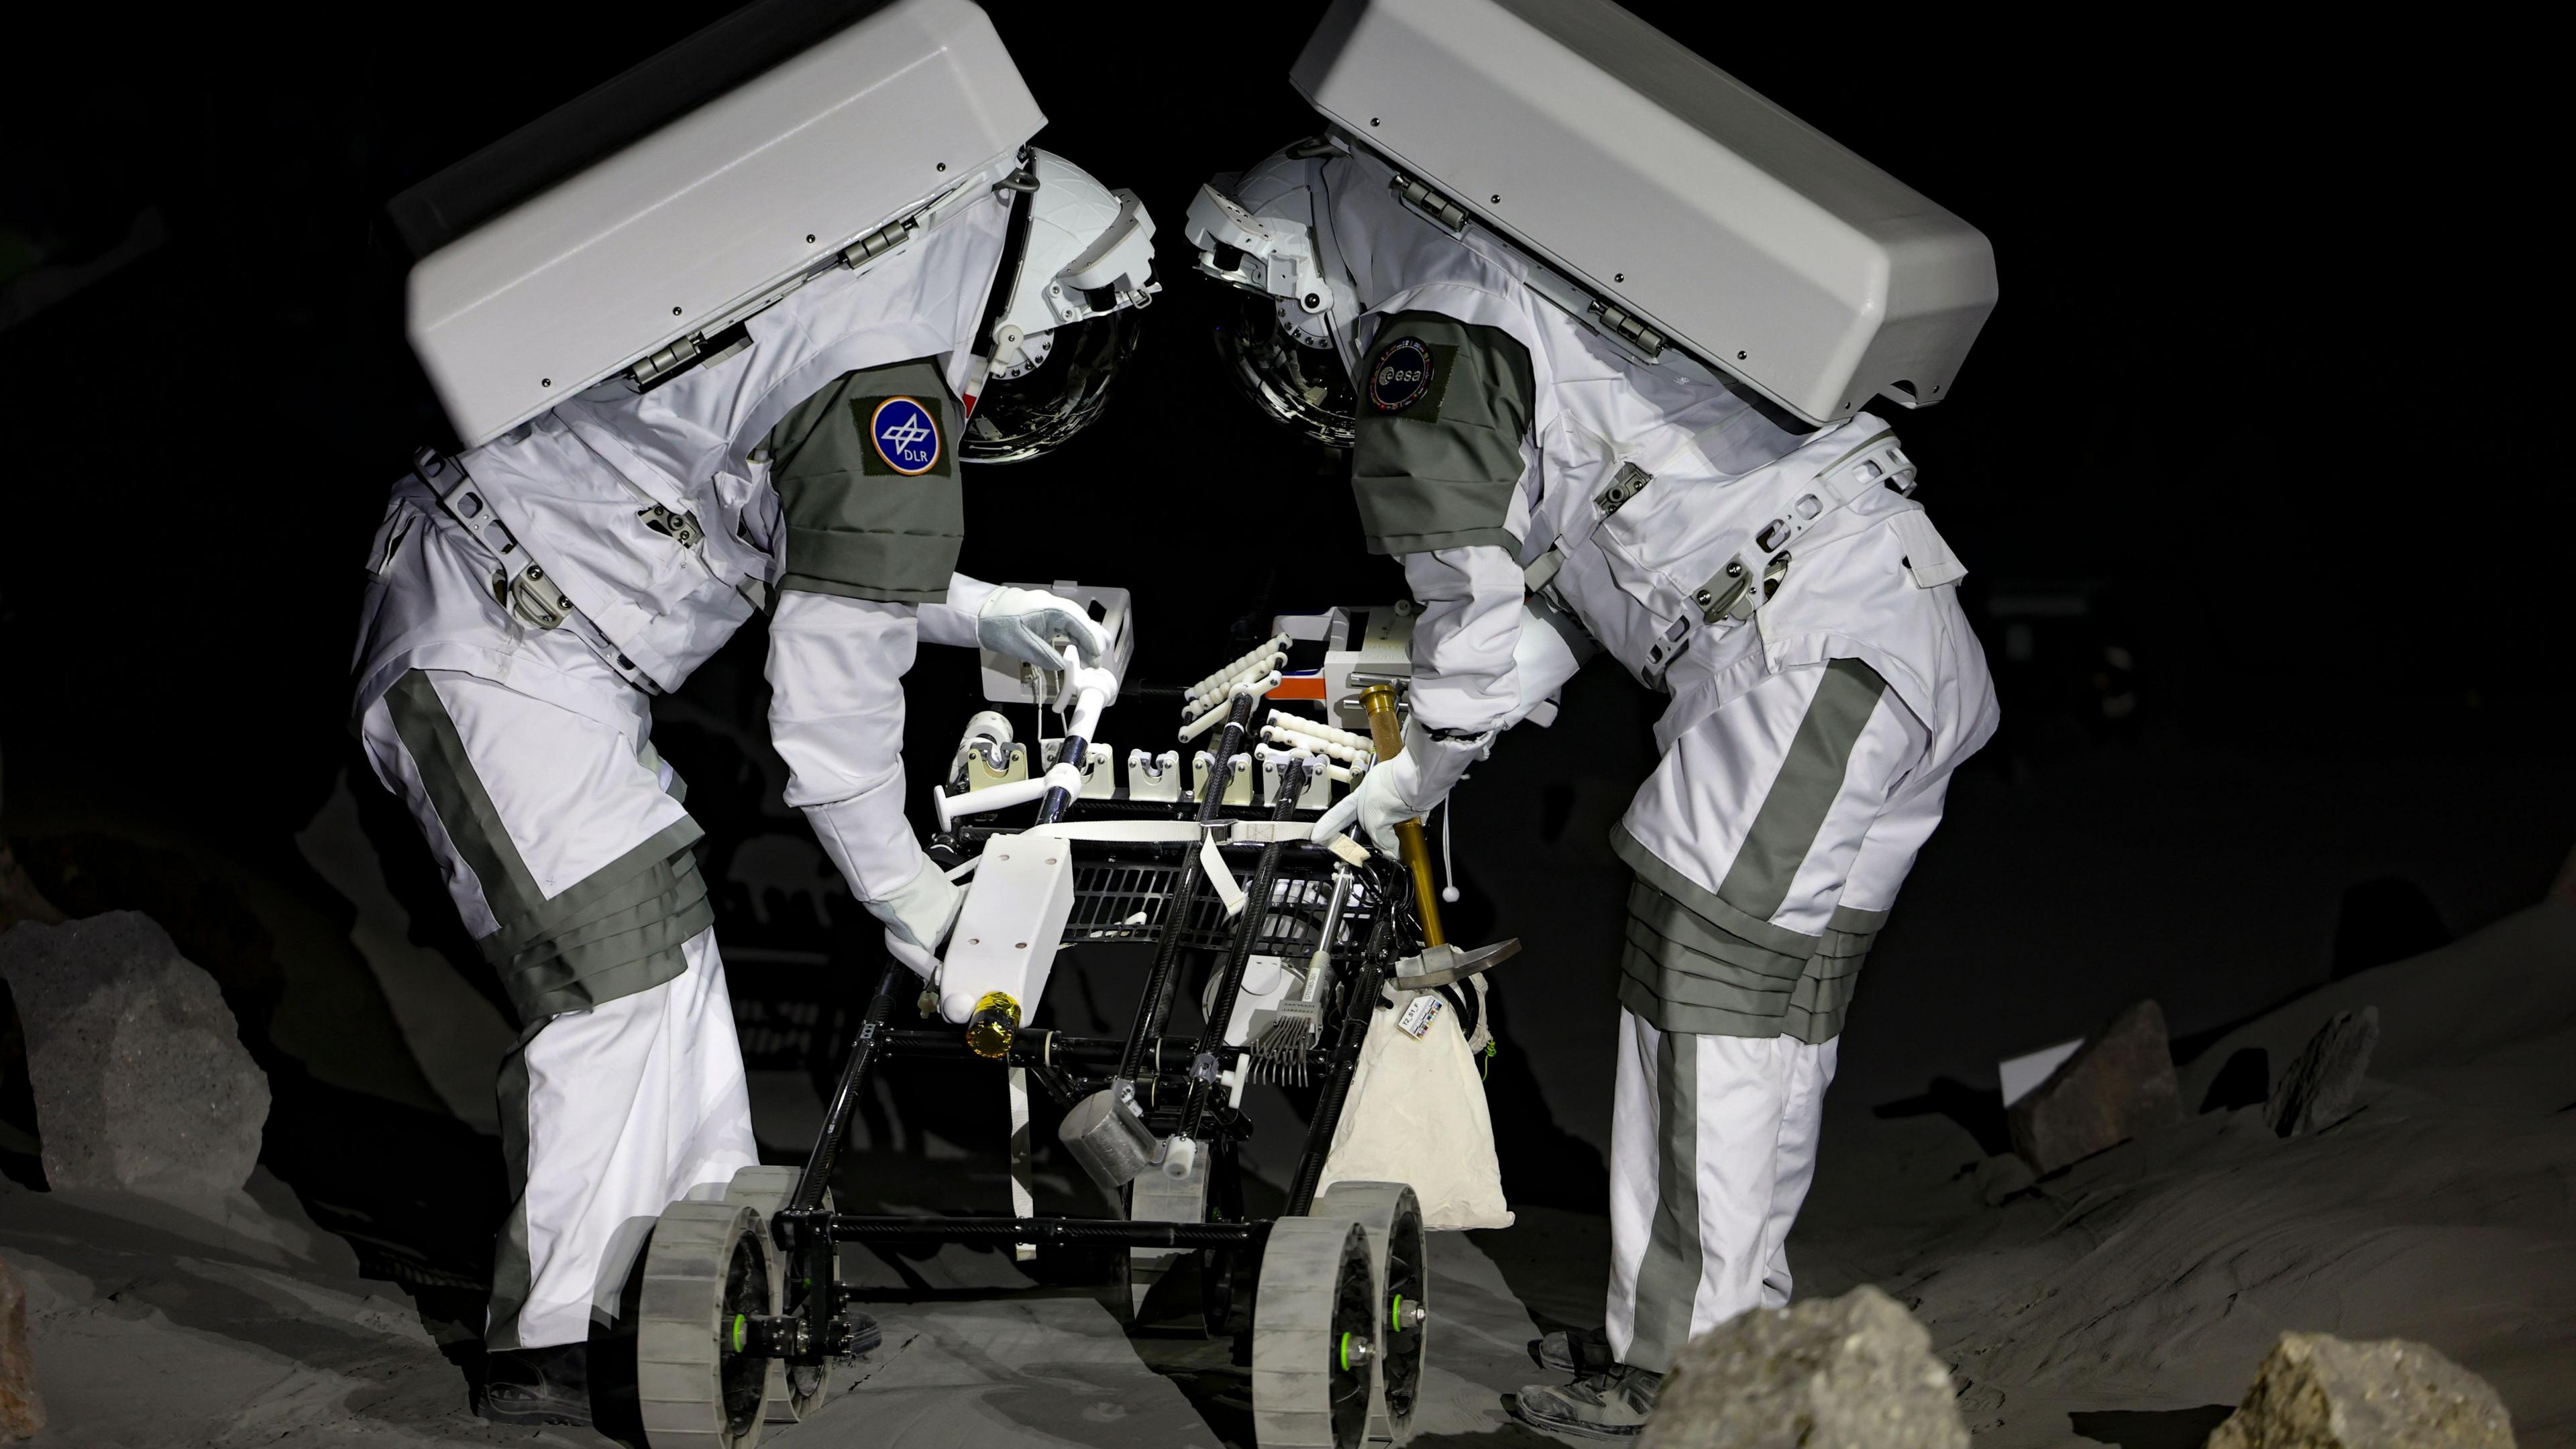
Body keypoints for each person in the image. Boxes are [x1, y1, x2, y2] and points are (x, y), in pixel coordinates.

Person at [1191, 0, 2002, 1435]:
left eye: (1287, 314)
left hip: (1805, 654)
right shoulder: (1519, 288)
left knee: (1709, 999)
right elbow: (1560, 616)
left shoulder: (1431, 336)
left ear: (1311, 261)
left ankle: (1686, 1374)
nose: (1306, 350)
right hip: (1866, 635)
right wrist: (1441, 736)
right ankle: (1726, 1338)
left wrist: (1411, 764)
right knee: (1765, 1017)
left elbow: (1477, 619)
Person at [351, 0, 1157, 1425]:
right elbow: (831, 718)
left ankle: (697, 1289)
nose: (1035, 374)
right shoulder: (895, 385)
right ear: (1034, 292)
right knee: (614, 984)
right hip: (494, 646)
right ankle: (554, 1346)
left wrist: (988, 608)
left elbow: (803, 542)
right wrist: (913, 901)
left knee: (669, 972)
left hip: (522, 620)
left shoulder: (869, 280)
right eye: (1053, 344)